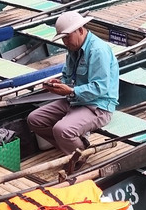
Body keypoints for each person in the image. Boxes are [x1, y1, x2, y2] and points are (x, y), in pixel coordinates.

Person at [27, 11, 118, 154]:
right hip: (75, 100)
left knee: (62, 130)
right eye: (63, 39)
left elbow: (100, 88)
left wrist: (71, 91)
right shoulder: (73, 49)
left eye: (67, 37)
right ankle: (73, 146)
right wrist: (58, 84)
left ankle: (79, 156)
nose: (65, 42)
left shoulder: (98, 51)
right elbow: (67, 77)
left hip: (98, 106)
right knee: (34, 119)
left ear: (80, 30)